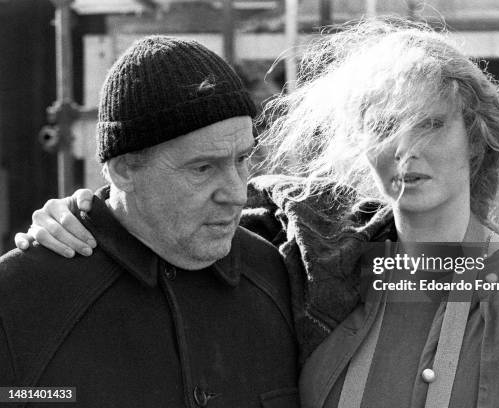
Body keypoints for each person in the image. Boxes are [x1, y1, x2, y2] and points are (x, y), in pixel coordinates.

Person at [14, 19, 499, 407]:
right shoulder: (323, 271)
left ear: (475, 137)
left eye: (430, 124)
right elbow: (173, 211)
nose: (406, 150)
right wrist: (85, 217)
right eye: (383, 127)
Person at [0, 36, 299, 407]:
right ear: (124, 169)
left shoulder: (283, 279)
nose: (238, 193)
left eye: (242, 159)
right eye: (203, 168)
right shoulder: (21, 298)